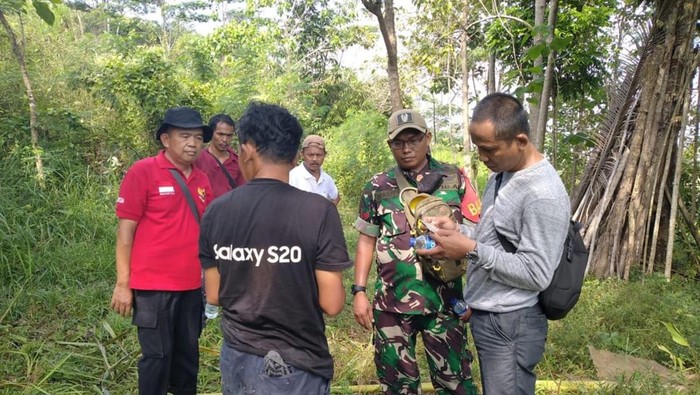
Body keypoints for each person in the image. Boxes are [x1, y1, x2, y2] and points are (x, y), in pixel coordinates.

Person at [418, 93, 571, 394]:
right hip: (492, 314)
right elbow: (494, 237)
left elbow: (536, 274)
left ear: (521, 141)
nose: (483, 157)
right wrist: (460, 230)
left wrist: (469, 249)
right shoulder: (502, 174)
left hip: (512, 323)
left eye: (489, 150)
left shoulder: (543, 194)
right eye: (478, 149)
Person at [199, 102, 351, 395]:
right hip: (298, 363)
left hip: (238, 357)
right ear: (296, 156)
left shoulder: (216, 211)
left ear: (247, 150)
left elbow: (215, 294)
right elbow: (332, 304)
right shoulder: (318, 211)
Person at [352, 108, 478, 394]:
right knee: (398, 387)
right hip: (392, 305)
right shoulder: (377, 186)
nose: (407, 149)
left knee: (455, 383)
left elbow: (477, 237)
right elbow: (366, 241)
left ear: (428, 138)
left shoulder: (454, 178)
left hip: (446, 304)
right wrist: (359, 291)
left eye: (414, 140)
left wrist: (475, 296)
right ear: (390, 145)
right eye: (399, 142)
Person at [110, 106, 214, 395]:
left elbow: (206, 232)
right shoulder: (143, 171)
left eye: (197, 137)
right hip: (152, 287)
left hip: (192, 286)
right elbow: (125, 232)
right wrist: (123, 283)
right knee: (157, 357)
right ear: (166, 140)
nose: (193, 143)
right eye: (184, 136)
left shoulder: (203, 181)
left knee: (187, 357)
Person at [194, 113, 246, 198]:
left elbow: (242, 192)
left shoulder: (237, 162)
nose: (225, 139)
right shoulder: (198, 158)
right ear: (211, 133)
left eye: (229, 135)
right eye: (220, 134)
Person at [289, 134, 340, 205]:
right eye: (310, 155)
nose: (314, 159)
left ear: (324, 155)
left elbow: (336, 197)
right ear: (302, 154)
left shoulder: (327, 179)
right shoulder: (292, 177)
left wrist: (328, 213)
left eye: (319, 155)